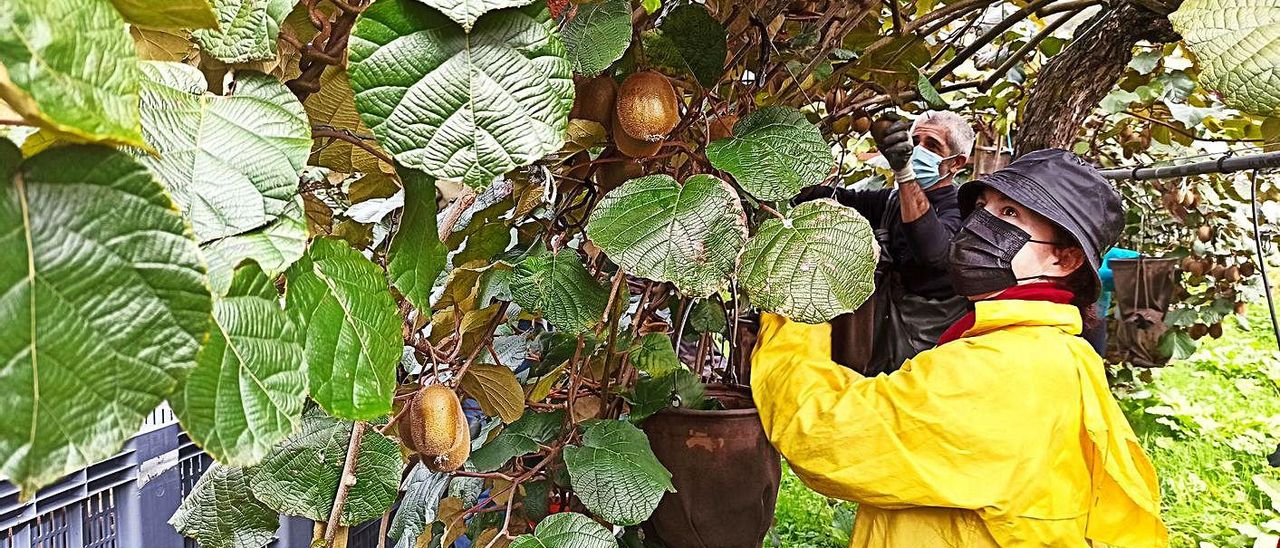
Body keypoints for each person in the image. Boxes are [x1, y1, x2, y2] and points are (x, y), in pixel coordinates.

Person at [752, 149, 1167, 546]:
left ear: (1063, 260)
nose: (978, 224)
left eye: (1009, 214)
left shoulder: (1002, 370)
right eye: (984, 206)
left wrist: (797, 296)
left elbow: (824, 431)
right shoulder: (1055, 350)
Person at [795, 111, 975, 374]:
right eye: (914, 142)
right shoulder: (889, 202)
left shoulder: (963, 209)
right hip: (877, 343)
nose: (917, 151)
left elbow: (933, 252)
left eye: (932, 145)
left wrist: (904, 173)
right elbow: (833, 200)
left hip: (926, 355)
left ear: (956, 162)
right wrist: (797, 170)